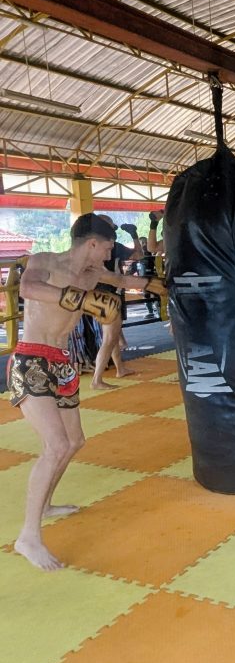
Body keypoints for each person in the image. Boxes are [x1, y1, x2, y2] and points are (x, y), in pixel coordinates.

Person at [7, 212, 165, 570]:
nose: (110, 251)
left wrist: (159, 285)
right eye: (108, 245)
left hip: (63, 361)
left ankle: (45, 504)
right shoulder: (44, 260)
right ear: (93, 243)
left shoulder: (93, 273)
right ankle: (28, 537)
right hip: (31, 360)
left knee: (74, 441)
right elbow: (29, 288)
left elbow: (121, 278)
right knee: (57, 444)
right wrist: (77, 299)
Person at [91, 216, 140, 390]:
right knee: (110, 337)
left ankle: (120, 368)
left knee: (112, 335)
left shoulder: (97, 245)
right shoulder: (107, 246)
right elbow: (138, 255)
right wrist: (134, 235)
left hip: (101, 294)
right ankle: (96, 379)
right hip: (107, 294)